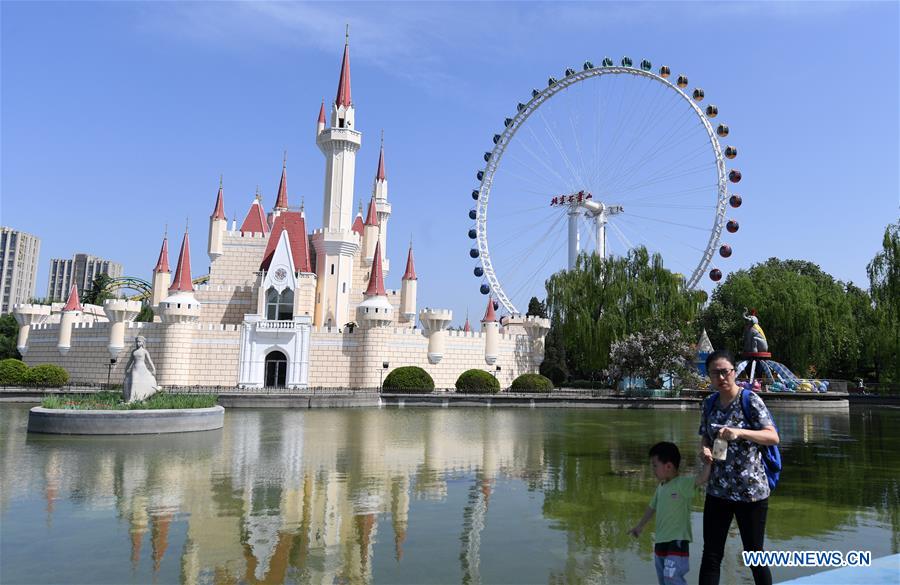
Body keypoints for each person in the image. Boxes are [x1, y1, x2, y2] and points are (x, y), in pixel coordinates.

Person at [698, 349, 780, 585]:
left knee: (754, 555)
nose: (721, 378)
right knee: (711, 554)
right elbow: (705, 436)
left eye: (725, 372)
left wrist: (740, 432)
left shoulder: (750, 400)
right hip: (718, 490)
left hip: (750, 492)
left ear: (734, 372)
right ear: (709, 376)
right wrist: (704, 450)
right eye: (716, 373)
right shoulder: (709, 403)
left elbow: (773, 437)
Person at [629, 442, 711, 585]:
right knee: (664, 580)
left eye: (655, 465)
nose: (653, 470)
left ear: (668, 466)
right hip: (660, 542)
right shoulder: (660, 488)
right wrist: (639, 526)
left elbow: (702, 478)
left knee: (672, 578)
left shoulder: (682, 484)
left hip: (677, 542)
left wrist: (708, 464)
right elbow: (651, 508)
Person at [123, 335, 158, 403]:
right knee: (134, 382)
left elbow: (149, 361)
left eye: (139, 342)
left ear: (142, 343)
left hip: (143, 368)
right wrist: (126, 369)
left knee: (145, 381)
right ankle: (131, 398)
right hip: (135, 368)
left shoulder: (144, 351)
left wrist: (153, 369)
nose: (137, 343)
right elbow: (130, 361)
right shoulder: (134, 351)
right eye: (137, 342)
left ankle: (141, 397)